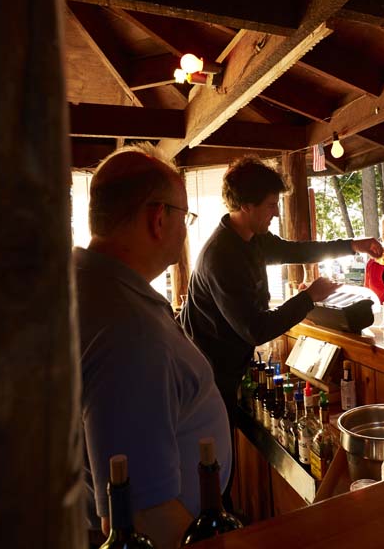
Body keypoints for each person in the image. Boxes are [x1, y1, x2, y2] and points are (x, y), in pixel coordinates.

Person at [73, 149, 231, 549]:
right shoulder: (127, 330)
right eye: (185, 216)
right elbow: (142, 517)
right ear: (158, 219)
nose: (185, 229)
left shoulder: (92, 286)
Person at [180, 157, 382, 413]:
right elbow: (256, 329)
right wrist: (309, 297)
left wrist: (352, 245)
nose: (276, 212)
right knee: (216, 451)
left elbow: (298, 251)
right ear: (246, 206)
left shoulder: (253, 238)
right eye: (271, 205)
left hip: (225, 369)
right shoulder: (222, 256)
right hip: (206, 376)